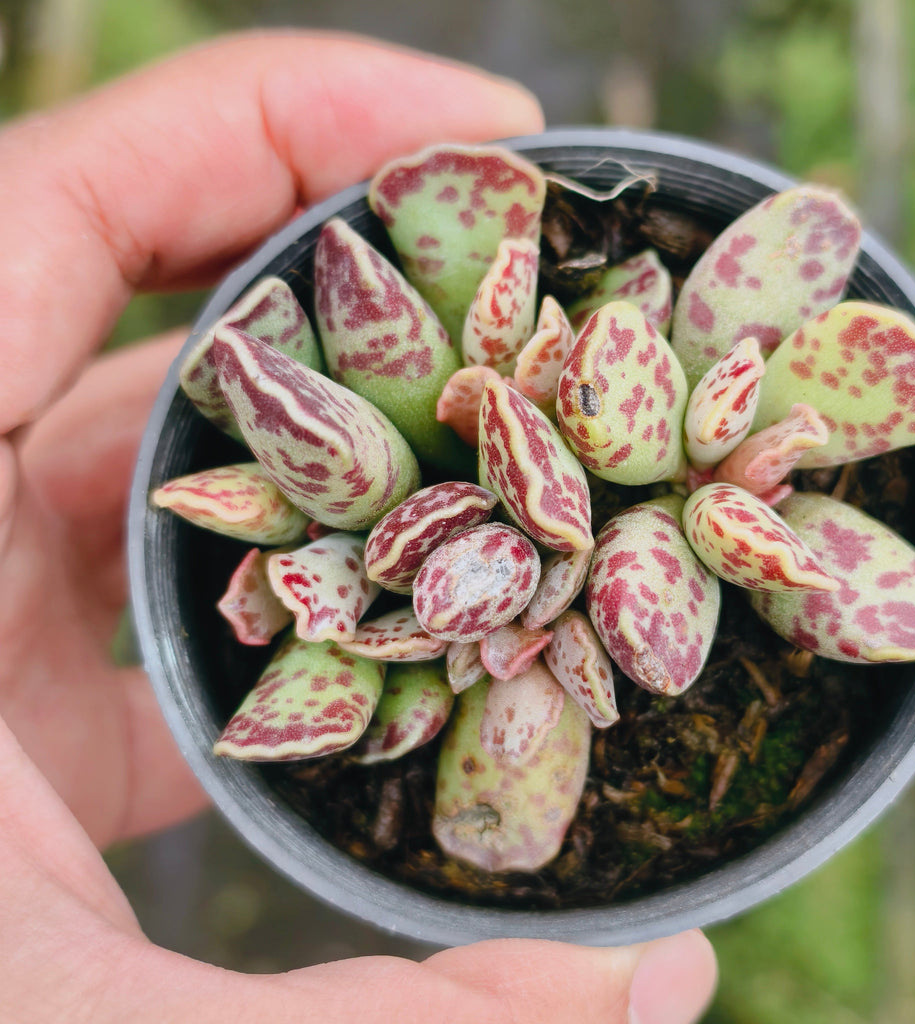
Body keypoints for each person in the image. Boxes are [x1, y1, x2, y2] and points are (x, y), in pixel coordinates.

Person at [0, 32, 717, 1022]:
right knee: (339, 436)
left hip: (503, 536)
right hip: (425, 547)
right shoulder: (407, 550)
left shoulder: (558, 552)